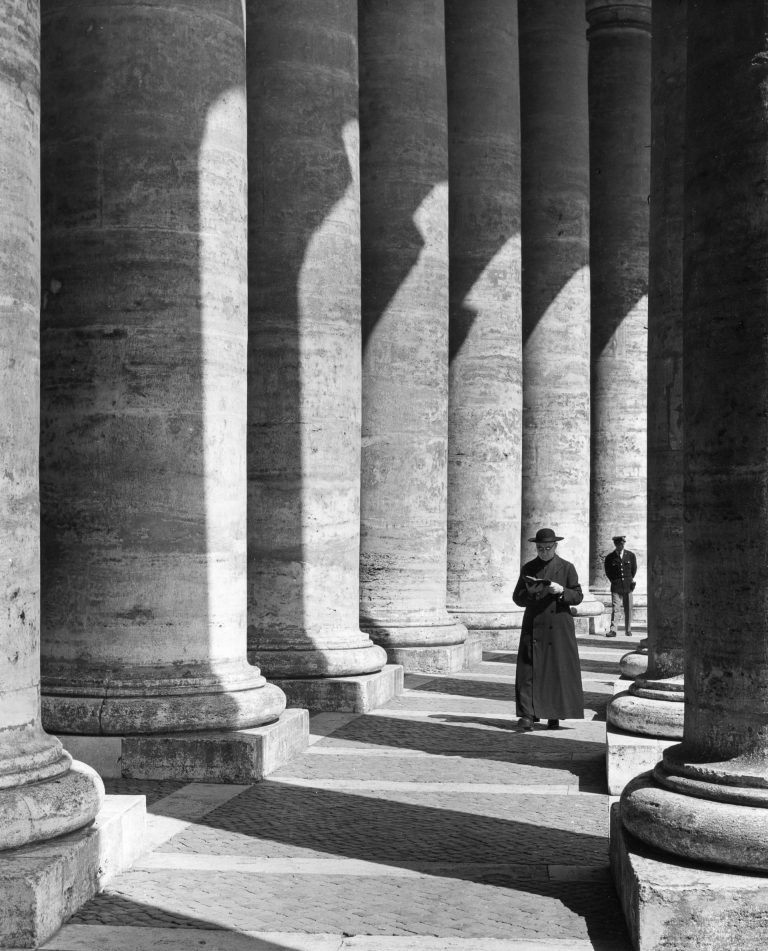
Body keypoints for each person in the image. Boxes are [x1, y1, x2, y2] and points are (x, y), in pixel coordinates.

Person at [512, 527, 584, 731]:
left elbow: (578, 596)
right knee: (529, 670)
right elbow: (517, 598)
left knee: (555, 670)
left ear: (555, 546)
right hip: (534, 623)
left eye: (547, 548)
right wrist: (532, 592)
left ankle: (554, 713)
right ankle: (527, 715)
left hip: (558, 627)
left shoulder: (567, 567)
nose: (543, 552)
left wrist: (562, 591)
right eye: (540, 548)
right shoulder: (528, 568)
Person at [603, 534, 637, 637]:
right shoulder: (610, 557)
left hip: (628, 585)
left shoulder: (630, 555)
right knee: (616, 608)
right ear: (615, 544)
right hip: (616, 586)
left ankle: (628, 629)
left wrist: (629, 579)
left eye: (622, 544)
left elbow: (633, 569)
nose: (621, 546)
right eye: (619, 544)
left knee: (628, 609)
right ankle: (613, 630)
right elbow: (608, 572)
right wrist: (614, 581)